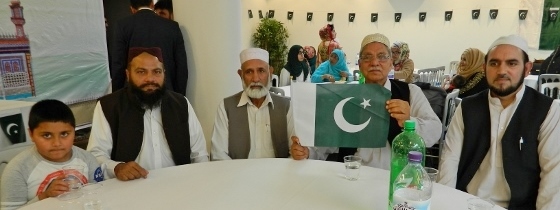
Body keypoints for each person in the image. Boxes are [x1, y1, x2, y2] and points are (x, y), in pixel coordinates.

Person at [438, 35, 560, 209]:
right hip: (466, 203)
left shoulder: (546, 110)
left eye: (512, 63)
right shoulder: (467, 107)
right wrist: (443, 204)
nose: (502, 71)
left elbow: (554, 176)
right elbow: (449, 161)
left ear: (527, 69)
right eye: (494, 63)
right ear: (484, 67)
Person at [292, 33, 442, 169]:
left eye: (382, 56)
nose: (375, 62)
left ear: (391, 63)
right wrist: (307, 151)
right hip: (354, 175)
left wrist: (409, 121)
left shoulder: (410, 93)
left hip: (397, 177)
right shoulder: (348, 97)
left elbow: (435, 131)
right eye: (367, 57)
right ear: (360, 64)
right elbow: (328, 138)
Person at [87, 47, 208, 181]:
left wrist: (201, 182)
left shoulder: (181, 103)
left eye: (156, 72)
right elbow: (95, 155)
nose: (150, 79)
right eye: (141, 72)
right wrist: (117, 167)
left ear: (164, 74)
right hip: (129, 188)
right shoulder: (108, 106)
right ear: (128, 75)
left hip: (178, 184)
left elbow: (199, 154)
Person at [1, 100, 104, 209]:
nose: (57, 143)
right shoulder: (17, 170)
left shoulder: (88, 159)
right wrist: (44, 196)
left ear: (74, 131)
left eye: (64, 134)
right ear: (31, 134)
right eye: (47, 135)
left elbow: (100, 195)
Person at [211, 48, 294, 160]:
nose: (255, 79)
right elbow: (218, 154)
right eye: (249, 72)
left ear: (270, 72)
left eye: (261, 71)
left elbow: (295, 151)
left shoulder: (286, 106)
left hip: (278, 175)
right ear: (241, 75)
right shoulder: (226, 107)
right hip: (238, 175)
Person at [111, 0, 188, 96]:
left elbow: (118, 64)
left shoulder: (122, 25)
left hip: (134, 92)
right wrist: (180, 97)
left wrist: (116, 96)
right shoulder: (172, 26)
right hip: (166, 90)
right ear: (152, 4)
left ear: (132, 9)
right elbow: (181, 66)